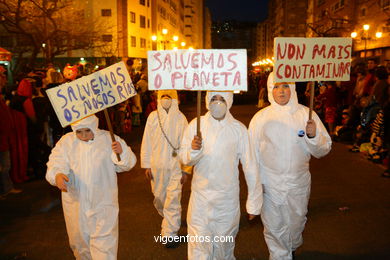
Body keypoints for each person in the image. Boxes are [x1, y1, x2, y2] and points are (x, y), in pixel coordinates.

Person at [248, 73, 332, 260]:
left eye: (286, 85)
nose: (281, 91)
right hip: (270, 184)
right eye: (276, 86)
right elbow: (250, 156)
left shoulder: (306, 114)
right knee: (274, 227)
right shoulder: (260, 118)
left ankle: (292, 244)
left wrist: (313, 136)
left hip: (298, 183)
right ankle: (280, 255)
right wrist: (255, 190)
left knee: (296, 222)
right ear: (270, 89)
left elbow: (323, 149)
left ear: (292, 88)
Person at [180, 91, 262, 259]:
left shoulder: (238, 129)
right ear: (206, 101)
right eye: (213, 98)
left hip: (227, 200)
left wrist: (254, 202)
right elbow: (184, 158)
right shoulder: (196, 125)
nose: (217, 103)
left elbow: (250, 166)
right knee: (198, 246)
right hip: (200, 199)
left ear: (229, 101)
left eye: (222, 99)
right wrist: (193, 151)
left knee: (223, 245)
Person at [46, 115, 136, 259]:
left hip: (103, 203)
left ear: (94, 126)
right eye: (79, 132)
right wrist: (57, 174)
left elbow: (128, 164)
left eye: (87, 131)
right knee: (80, 246)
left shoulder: (109, 139)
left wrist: (121, 153)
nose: (83, 136)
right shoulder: (67, 142)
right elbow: (56, 161)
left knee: (104, 247)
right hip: (76, 204)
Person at [141, 90, 191, 247]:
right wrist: (147, 164)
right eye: (163, 97)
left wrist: (186, 169)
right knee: (160, 198)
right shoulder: (152, 117)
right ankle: (169, 217)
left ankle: (170, 233)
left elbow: (187, 146)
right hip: (157, 167)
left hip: (175, 166)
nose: (166, 100)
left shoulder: (181, 119)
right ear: (157, 99)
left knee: (173, 199)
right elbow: (147, 141)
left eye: (169, 97)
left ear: (176, 99)